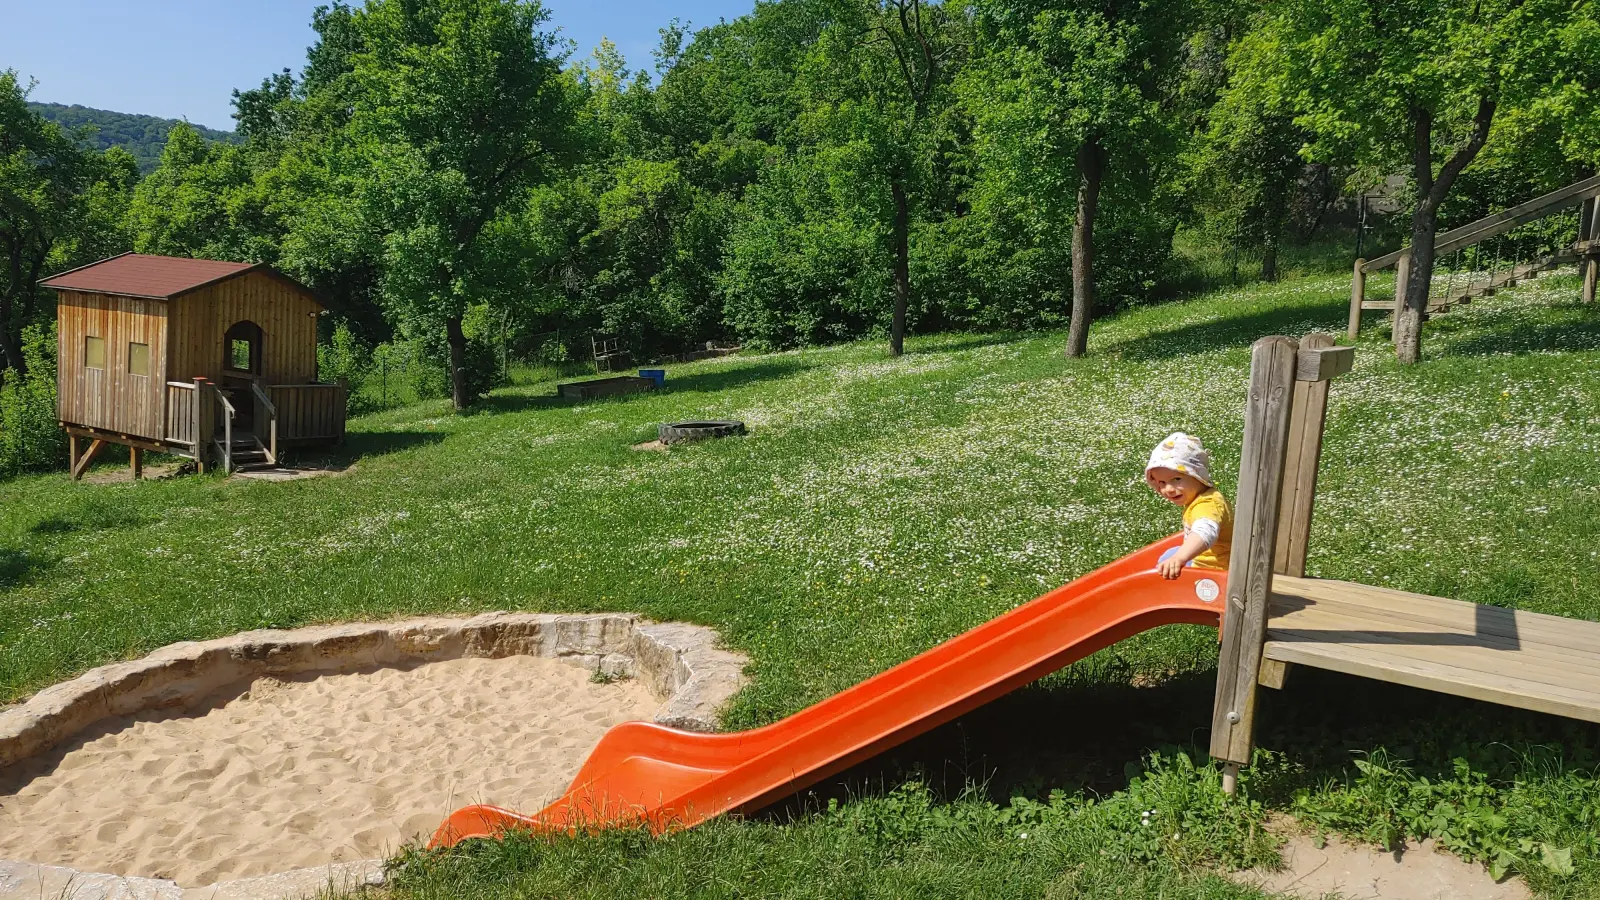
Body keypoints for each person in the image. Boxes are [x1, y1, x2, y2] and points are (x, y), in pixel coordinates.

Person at [1144, 432, 1232, 578]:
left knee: (1169, 561)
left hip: (1217, 572)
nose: (1169, 489)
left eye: (1177, 479)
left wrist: (1179, 558)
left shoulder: (1208, 504)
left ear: (1197, 476)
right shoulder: (1200, 497)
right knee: (1168, 556)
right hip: (1205, 561)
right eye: (1162, 483)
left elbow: (1204, 532)